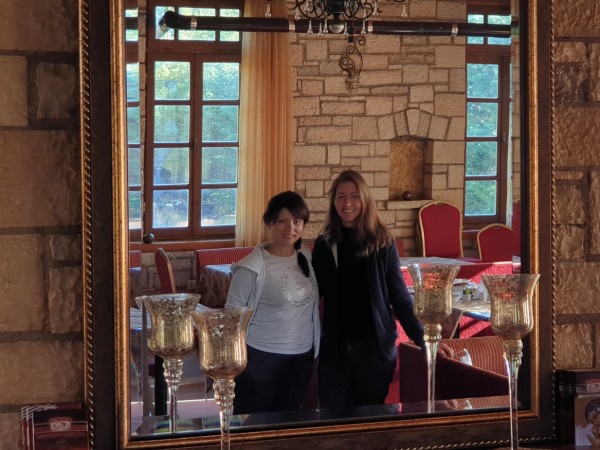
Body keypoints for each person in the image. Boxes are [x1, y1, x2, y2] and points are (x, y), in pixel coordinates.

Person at [311, 169, 425, 409]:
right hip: (335, 351)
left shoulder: (382, 242)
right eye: (341, 196)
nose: (347, 203)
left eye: (354, 196)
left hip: (373, 351)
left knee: (368, 419)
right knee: (333, 419)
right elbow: (313, 295)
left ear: (365, 199)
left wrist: (425, 340)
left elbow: (400, 297)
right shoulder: (324, 244)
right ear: (333, 201)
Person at [225, 191, 320, 414]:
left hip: (301, 357)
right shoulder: (251, 267)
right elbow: (232, 315)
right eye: (283, 221)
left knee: (288, 423)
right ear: (270, 223)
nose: (291, 228)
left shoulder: (305, 256)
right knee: (254, 424)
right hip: (260, 357)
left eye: (297, 221)